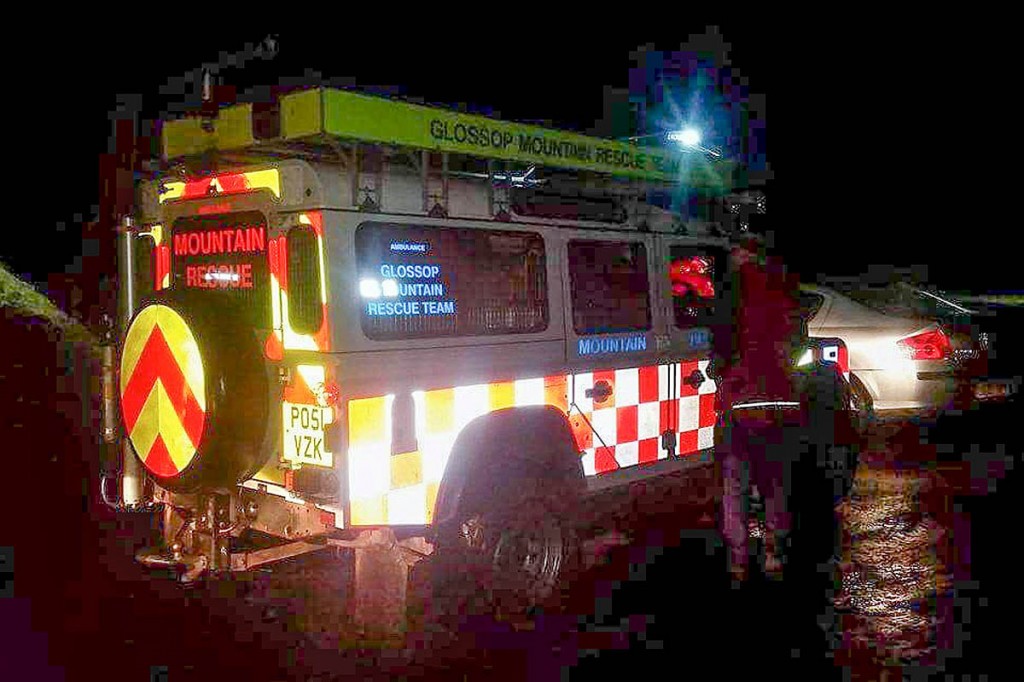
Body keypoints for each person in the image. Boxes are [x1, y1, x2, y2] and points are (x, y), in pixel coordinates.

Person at [712, 235, 806, 583]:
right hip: (780, 402)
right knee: (774, 481)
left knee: (735, 482)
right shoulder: (783, 288)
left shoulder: (730, 291)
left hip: (741, 404)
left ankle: (737, 559)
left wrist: (721, 372)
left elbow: (720, 345)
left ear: (742, 253)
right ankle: (773, 554)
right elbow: (796, 341)